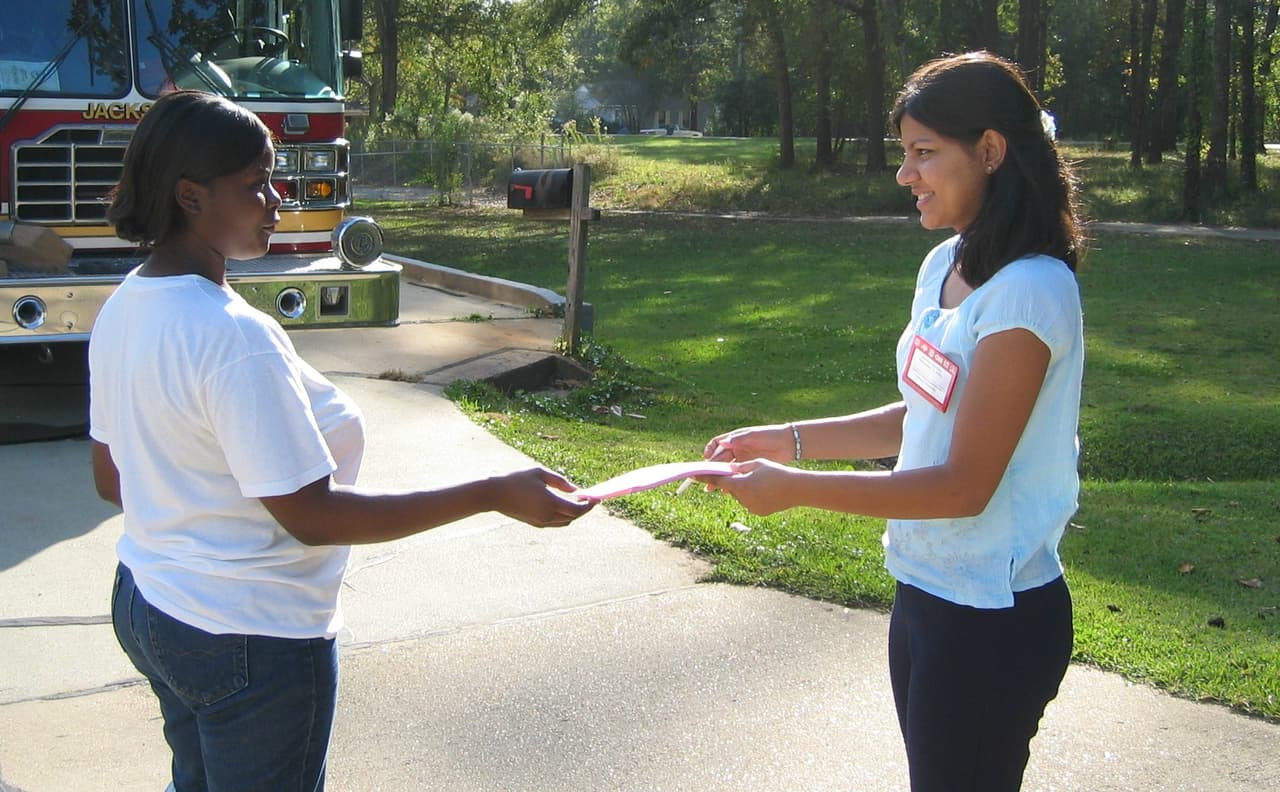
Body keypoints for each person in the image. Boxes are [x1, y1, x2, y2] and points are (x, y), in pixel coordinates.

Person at [89, 90, 594, 792]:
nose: (277, 197)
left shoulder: (124, 307)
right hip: (249, 639)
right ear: (189, 197)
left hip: (152, 607)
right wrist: (490, 493)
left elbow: (113, 480)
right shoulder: (235, 338)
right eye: (254, 184)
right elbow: (313, 516)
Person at [698, 51, 1084, 792]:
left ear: (992, 151)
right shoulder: (946, 263)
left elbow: (963, 485)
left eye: (924, 154)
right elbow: (921, 416)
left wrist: (798, 488)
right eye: (906, 153)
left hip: (991, 619)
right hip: (924, 592)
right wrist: (789, 439)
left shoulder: (1031, 292)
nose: (905, 174)